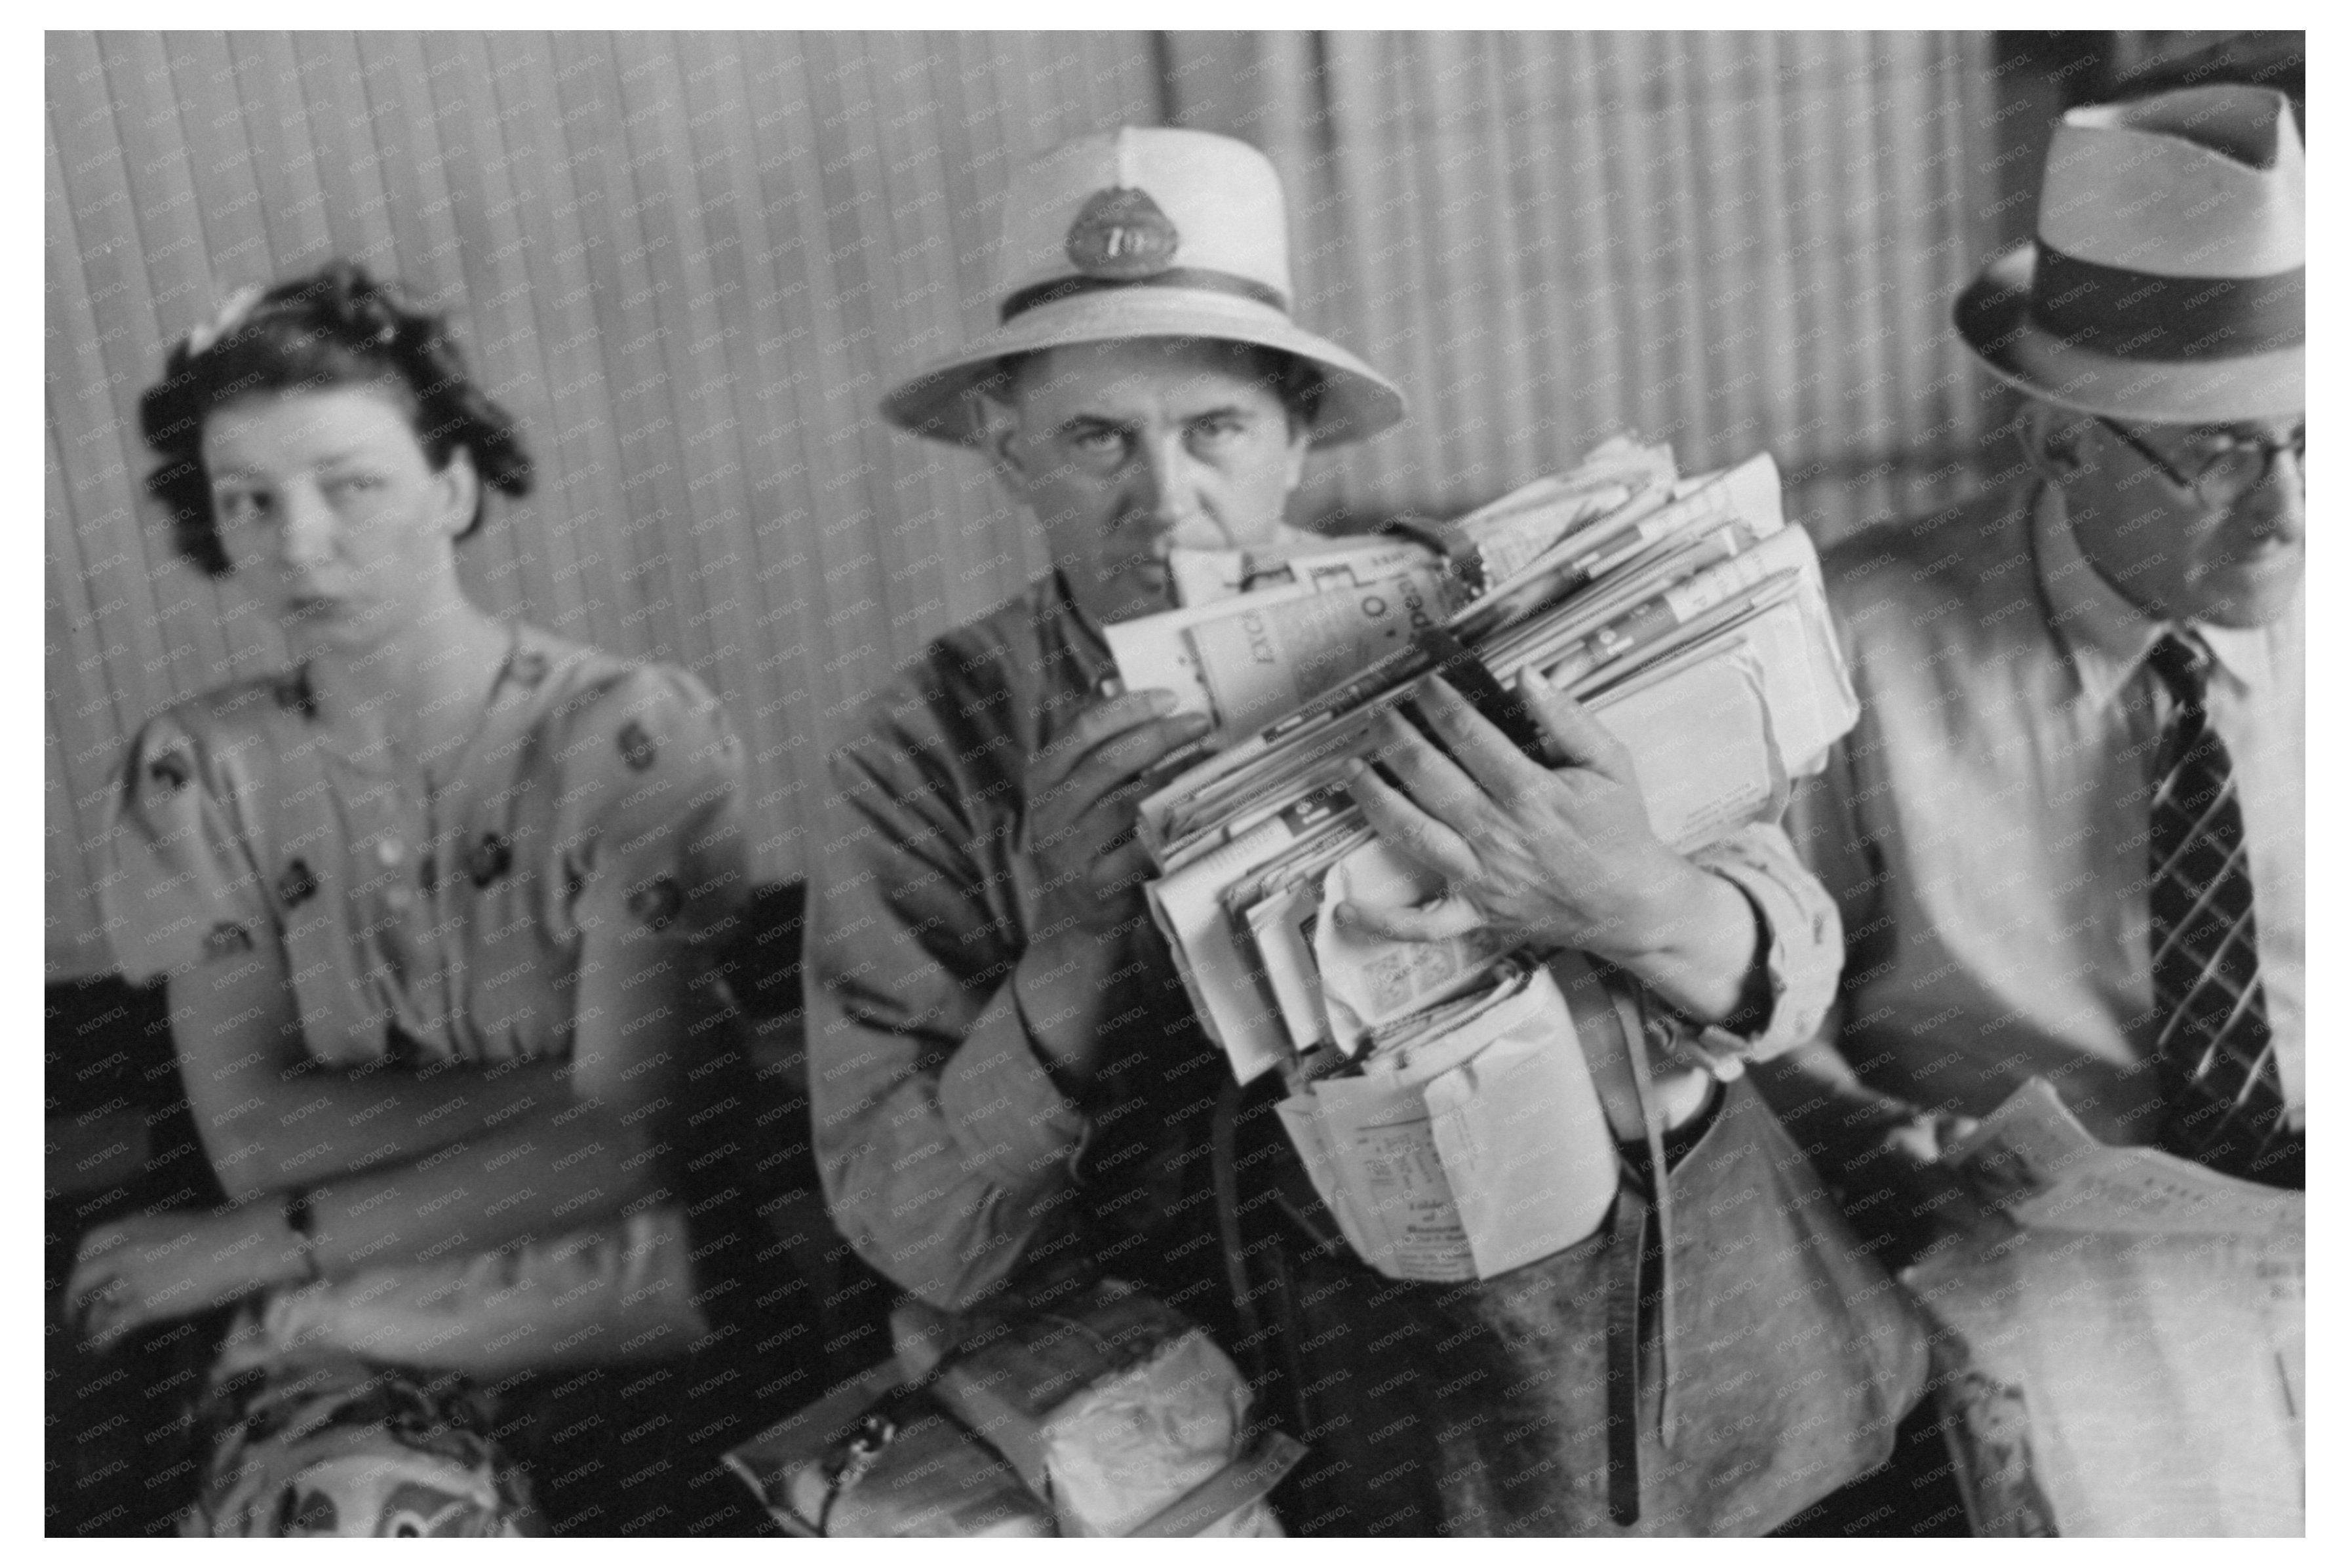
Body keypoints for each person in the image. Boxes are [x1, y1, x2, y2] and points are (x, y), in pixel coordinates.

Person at [808, 127, 1881, 1536]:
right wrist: (1071, 948)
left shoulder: (1473, 609)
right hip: (1225, 1420)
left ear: (1296, 438)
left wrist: (1633, 897)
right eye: (1094, 438)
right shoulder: (927, 745)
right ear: (1008, 450)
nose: (1163, 500)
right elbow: (920, 1236)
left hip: (1623, 1360)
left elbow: (1793, 971)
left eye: (1214, 429)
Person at [66, 262, 776, 1535]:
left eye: (349, 485)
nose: (299, 544)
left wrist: (252, 1243)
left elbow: (629, 1148)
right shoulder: (200, 770)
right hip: (348, 1332)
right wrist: (570, 1092)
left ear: (451, 487)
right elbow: (256, 1137)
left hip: (628, 1294)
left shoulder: (625, 734)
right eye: (248, 501)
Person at [1757, 83, 2303, 1528]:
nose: (2287, 514)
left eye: (2312, 438)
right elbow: (1753, 1007)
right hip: (2021, 1265)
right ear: (2059, 443)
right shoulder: (1855, 642)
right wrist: (1861, 1132)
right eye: (2220, 452)